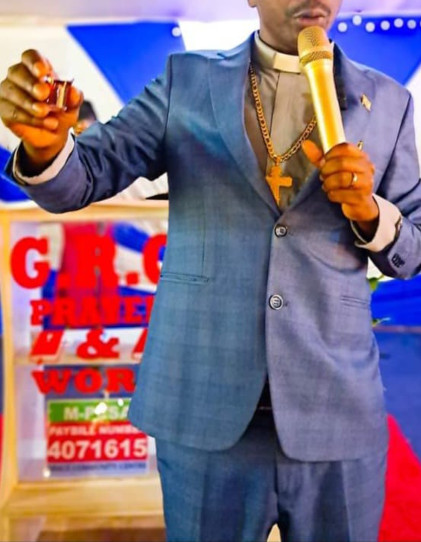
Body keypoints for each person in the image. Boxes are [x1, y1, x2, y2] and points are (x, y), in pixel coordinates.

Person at [1, 0, 421, 540]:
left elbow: (413, 246)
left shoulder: (389, 102)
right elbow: (87, 175)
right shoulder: (187, 81)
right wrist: (48, 149)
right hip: (203, 402)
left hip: (335, 407)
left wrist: (370, 213)